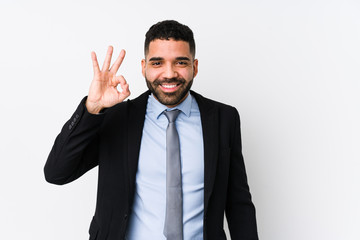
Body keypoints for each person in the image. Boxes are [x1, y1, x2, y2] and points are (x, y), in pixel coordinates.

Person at [44, 20, 258, 240]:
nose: (169, 74)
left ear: (194, 67)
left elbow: (238, 203)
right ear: (143, 67)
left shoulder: (224, 118)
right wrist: (93, 107)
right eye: (157, 63)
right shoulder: (117, 118)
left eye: (180, 62)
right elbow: (56, 172)